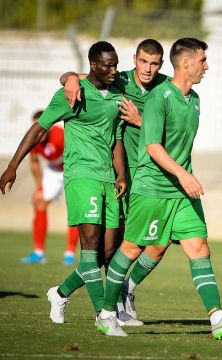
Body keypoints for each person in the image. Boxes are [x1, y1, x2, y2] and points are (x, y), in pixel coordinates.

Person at [95, 38, 222, 339]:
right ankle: (106, 314)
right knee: (131, 249)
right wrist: (184, 175)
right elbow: (152, 146)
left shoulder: (194, 100)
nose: (207, 66)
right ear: (186, 63)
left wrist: (184, 177)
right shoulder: (159, 98)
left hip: (181, 193)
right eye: (203, 60)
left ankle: (217, 318)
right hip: (152, 187)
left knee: (199, 247)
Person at [0, 40, 126, 324]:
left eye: (116, 64)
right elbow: (39, 128)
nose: (114, 70)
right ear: (93, 65)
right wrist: (12, 166)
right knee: (91, 246)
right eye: (109, 65)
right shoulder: (71, 94)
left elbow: (116, 138)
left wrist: (121, 174)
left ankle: (60, 292)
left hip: (108, 177)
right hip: (81, 175)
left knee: (107, 251)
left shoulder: (117, 92)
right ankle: (104, 315)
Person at [61, 39, 171, 326]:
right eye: (143, 61)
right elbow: (83, 77)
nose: (148, 69)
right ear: (134, 59)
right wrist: (69, 77)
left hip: (154, 176)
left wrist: (140, 119)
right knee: (111, 249)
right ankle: (114, 306)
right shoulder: (119, 79)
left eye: (155, 63)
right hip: (124, 175)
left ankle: (121, 288)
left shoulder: (168, 88)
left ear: (162, 64)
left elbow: (172, 128)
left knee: (160, 241)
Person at [19, 110, 79, 265]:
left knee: (76, 208)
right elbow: (34, 162)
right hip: (53, 169)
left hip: (71, 168)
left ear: (50, 125)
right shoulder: (32, 137)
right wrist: (39, 187)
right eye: (36, 126)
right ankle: (38, 253)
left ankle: (70, 253)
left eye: (42, 126)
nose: (39, 130)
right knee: (39, 201)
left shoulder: (61, 135)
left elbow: (76, 155)